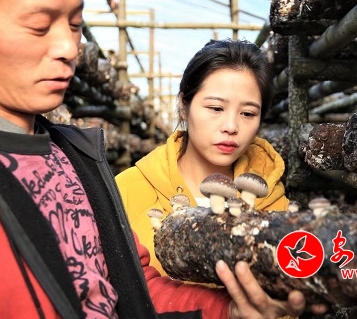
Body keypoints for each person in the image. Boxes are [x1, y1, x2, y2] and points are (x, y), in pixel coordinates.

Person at [0, 0, 313, 319]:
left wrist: (228, 312)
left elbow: (132, 286)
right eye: (39, 26)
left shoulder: (77, 161)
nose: (69, 48)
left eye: (74, 25)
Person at [116, 40, 290, 276]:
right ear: (184, 106)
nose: (231, 127)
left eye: (248, 113)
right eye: (216, 108)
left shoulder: (273, 201)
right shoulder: (127, 191)